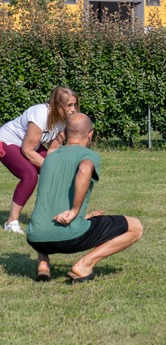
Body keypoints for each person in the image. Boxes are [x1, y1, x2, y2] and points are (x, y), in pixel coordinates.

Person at [26, 113, 143, 283]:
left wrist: (83, 216)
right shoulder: (88, 155)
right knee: (136, 227)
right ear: (90, 134)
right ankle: (84, 266)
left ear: (65, 133)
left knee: (45, 212)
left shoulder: (49, 158)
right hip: (69, 238)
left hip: (36, 238)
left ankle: (43, 264)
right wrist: (75, 211)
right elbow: (84, 170)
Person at [0, 86, 79, 234]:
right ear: (58, 105)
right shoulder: (40, 115)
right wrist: (48, 167)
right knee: (29, 176)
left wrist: (54, 170)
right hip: (6, 141)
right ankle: (11, 222)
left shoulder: (65, 121)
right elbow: (27, 150)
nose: (73, 109)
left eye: (75, 105)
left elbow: (52, 150)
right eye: (69, 105)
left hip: (29, 145)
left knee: (57, 174)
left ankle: (60, 216)